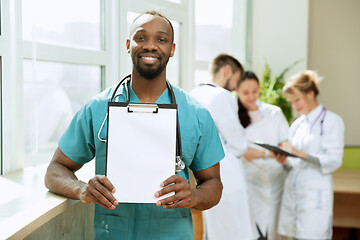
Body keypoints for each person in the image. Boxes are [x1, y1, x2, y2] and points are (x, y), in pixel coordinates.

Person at [45, 11, 225, 240]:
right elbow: (54, 171)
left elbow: (214, 184)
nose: (151, 46)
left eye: (161, 39)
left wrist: (194, 196)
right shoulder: (98, 108)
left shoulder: (196, 114)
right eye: (141, 38)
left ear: (172, 49)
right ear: (128, 45)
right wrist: (82, 189)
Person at [190, 54, 257, 240]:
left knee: (210, 231)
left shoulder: (193, 93)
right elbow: (238, 144)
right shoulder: (221, 95)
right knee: (234, 231)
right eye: (237, 78)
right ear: (227, 71)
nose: (236, 86)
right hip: (226, 174)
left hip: (199, 173)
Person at [275, 70, 345, 240]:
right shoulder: (297, 125)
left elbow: (334, 160)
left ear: (311, 93)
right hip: (294, 193)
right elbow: (295, 163)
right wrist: (284, 160)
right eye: (291, 102)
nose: (295, 105)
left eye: (297, 99)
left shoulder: (331, 121)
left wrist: (300, 153)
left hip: (315, 196)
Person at [235, 70, 289, 240]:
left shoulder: (274, 113)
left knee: (274, 233)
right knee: (253, 233)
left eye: (255, 91)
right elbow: (239, 151)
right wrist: (268, 154)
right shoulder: (234, 118)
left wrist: (284, 153)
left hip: (276, 182)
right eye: (246, 93)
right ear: (236, 91)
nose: (251, 96)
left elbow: (285, 142)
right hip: (250, 183)